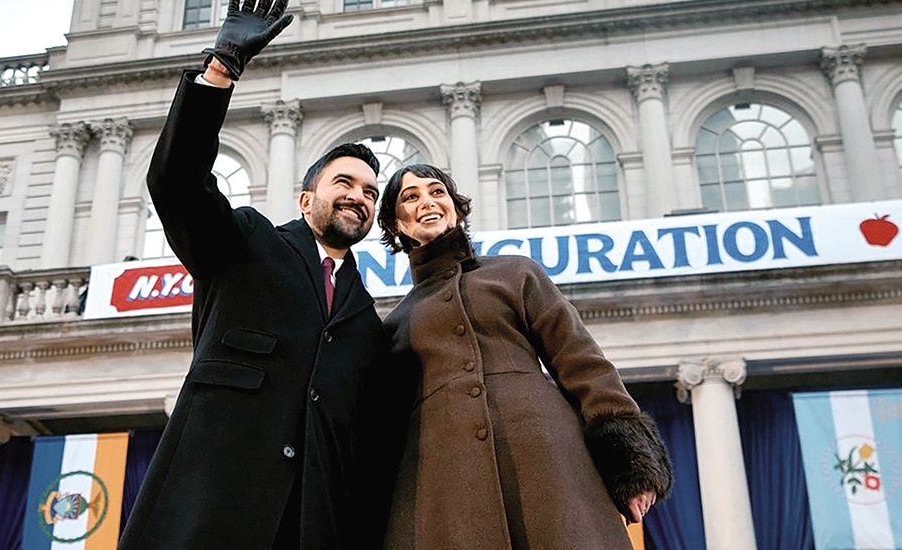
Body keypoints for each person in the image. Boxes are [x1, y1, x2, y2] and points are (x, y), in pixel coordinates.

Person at [118, 1, 388, 548]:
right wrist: (221, 69)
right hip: (211, 509)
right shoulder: (246, 241)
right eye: (345, 182)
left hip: (312, 525)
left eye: (370, 193)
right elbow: (178, 182)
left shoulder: (366, 318)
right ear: (307, 196)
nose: (358, 197)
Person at [374, 163, 673, 549]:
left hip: (549, 463)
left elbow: (580, 361)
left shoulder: (515, 273)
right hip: (445, 488)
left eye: (437, 192)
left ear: (456, 207)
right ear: (396, 225)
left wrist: (630, 463)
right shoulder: (395, 324)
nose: (427, 202)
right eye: (410, 197)